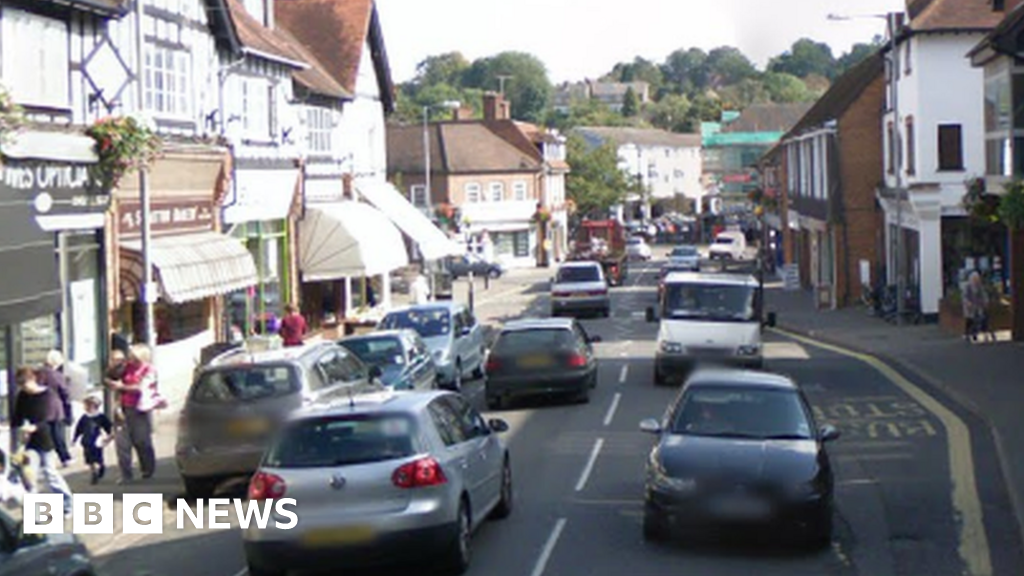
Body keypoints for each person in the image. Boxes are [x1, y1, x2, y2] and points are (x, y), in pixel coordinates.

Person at [13, 366, 73, 516]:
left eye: (25, 384)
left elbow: (48, 419)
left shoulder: (48, 396)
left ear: (33, 380)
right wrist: (18, 426)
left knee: (50, 473)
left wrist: (34, 427)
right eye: (21, 385)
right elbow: (17, 416)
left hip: (46, 439)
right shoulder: (23, 395)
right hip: (30, 441)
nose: (24, 388)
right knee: (30, 474)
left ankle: (67, 503)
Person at [106, 344, 157, 482]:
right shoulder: (127, 366)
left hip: (140, 409)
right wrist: (114, 365)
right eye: (130, 357)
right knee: (122, 443)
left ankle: (147, 470)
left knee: (142, 441)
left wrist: (122, 386)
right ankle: (126, 474)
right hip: (122, 408)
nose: (131, 360)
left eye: (134, 358)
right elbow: (110, 376)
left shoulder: (149, 370)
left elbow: (142, 388)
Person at [39, 350, 74, 467]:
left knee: (43, 435)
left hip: (39, 409)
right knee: (58, 435)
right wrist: (69, 414)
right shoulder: (57, 376)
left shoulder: (38, 374)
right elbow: (65, 395)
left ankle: (43, 460)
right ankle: (65, 458)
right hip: (55, 409)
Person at [73, 394, 112, 485]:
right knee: (89, 458)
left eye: (86, 405)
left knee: (98, 456)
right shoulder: (84, 417)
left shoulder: (100, 416)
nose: (85, 407)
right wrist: (75, 438)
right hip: (86, 441)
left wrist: (110, 435)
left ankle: (101, 466)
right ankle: (93, 473)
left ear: (93, 406)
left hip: (97, 440)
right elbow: (79, 428)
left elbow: (108, 426)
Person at [963, 271, 992, 342]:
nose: (976, 280)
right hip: (969, 306)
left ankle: (980, 333)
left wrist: (986, 301)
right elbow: (965, 296)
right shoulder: (967, 286)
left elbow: (984, 295)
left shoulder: (980, 286)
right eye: (974, 279)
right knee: (970, 320)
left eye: (977, 279)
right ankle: (968, 334)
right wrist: (967, 302)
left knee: (981, 318)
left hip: (978, 305)